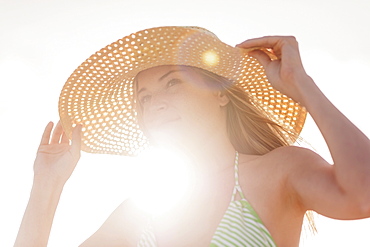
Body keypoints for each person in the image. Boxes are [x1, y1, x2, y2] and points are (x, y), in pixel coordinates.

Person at [14, 26, 370, 247]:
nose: (155, 104)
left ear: (220, 92)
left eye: (172, 83)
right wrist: (47, 184)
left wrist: (301, 86)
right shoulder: (138, 214)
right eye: (145, 97)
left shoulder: (280, 171)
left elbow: (363, 195)